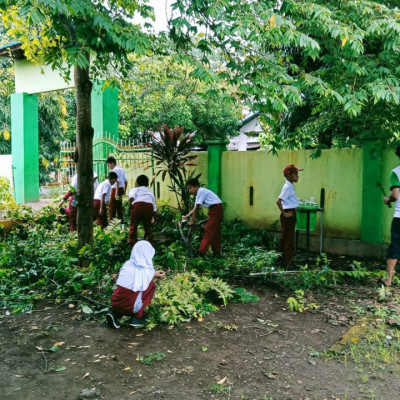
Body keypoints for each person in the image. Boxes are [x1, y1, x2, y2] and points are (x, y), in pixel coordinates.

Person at [106, 240, 166, 329]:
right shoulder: (147, 271)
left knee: (125, 294)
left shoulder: (127, 265)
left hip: (115, 303)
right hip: (130, 307)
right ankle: (138, 318)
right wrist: (154, 274)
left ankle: (115, 314)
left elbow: (139, 274)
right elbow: (146, 275)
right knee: (151, 285)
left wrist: (153, 273)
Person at [184, 177, 223, 257]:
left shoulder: (201, 191)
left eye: (190, 188)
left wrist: (192, 220)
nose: (189, 191)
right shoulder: (199, 192)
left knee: (208, 229)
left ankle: (201, 252)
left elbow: (197, 207)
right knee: (215, 231)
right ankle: (217, 252)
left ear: (196, 186)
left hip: (216, 208)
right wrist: (188, 215)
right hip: (215, 208)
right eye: (188, 189)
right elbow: (195, 207)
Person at [276, 164, 303, 269]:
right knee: (289, 239)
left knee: (285, 237)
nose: (298, 176)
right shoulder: (287, 186)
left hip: (290, 212)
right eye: (295, 173)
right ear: (289, 175)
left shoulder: (289, 185)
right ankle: (288, 263)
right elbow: (278, 201)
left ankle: (280, 259)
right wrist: (284, 213)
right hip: (288, 214)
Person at [382, 146, 400, 286]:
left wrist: (388, 199)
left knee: (396, 245)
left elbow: (395, 195)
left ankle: (388, 279)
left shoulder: (396, 172)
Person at [128, 174, 157, 248]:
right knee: (147, 226)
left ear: (137, 183)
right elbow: (154, 206)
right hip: (149, 207)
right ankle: (149, 243)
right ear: (147, 184)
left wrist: (130, 206)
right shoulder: (150, 192)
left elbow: (131, 198)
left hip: (138, 206)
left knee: (133, 225)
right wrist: (154, 217)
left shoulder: (134, 189)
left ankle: (132, 244)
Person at [106, 156, 127, 223]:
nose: (109, 167)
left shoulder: (114, 170)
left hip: (115, 189)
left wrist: (116, 193)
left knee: (112, 207)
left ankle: (112, 222)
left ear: (112, 163)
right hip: (121, 189)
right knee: (119, 207)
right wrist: (124, 190)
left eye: (108, 165)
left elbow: (117, 181)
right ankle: (121, 221)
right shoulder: (121, 169)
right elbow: (125, 181)